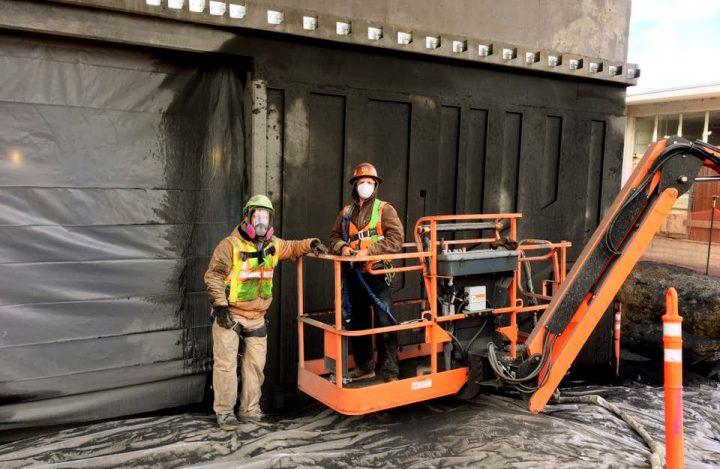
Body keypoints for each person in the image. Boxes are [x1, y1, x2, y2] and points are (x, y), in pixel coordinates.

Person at [204, 194, 327, 430]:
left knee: (255, 367)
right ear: (247, 217)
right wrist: (220, 306)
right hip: (230, 315)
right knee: (225, 366)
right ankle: (225, 413)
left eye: (265, 217)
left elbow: (292, 247)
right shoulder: (229, 245)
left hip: (257, 316)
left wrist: (311, 243)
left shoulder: (273, 245)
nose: (261, 222)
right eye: (257, 216)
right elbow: (214, 276)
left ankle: (250, 411)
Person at [329, 163, 404, 383]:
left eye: (369, 183)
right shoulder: (346, 213)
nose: (365, 186)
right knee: (356, 320)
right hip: (354, 275)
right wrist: (343, 248)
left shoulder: (384, 209)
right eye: (361, 182)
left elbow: (396, 239)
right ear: (355, 186)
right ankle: (365, 366)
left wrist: (367, 252)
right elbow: (334, 237)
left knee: (384, 319)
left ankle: (390, 371)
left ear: (376, 185)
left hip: (378, 274)